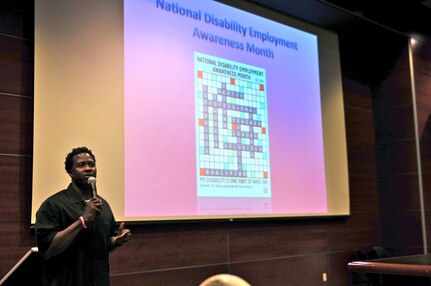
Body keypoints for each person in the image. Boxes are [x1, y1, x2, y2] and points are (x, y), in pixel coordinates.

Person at [35, 146, 131, 286]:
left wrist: (115, 241)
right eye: (81, 165)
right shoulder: (53, 205)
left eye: (92, 164)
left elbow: (103, 243)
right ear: (70, 172)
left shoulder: (103, 205)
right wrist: (83, 220)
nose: (88, 168)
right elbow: (48, 250)